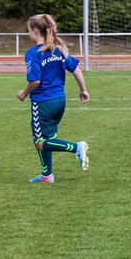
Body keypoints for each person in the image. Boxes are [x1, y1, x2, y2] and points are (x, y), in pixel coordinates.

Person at [16, 14, 90, 183]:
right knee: (47, 138)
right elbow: (76, 70)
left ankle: (76, 147)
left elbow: (35, 80)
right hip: (60, 101)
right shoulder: (59, 49)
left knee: (39, 142)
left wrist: (23, 93)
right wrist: (83, 90)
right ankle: (46, 175)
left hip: (42, 102)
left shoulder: (33, 53)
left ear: (35, 31)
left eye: (28, 30)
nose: (28, 33)